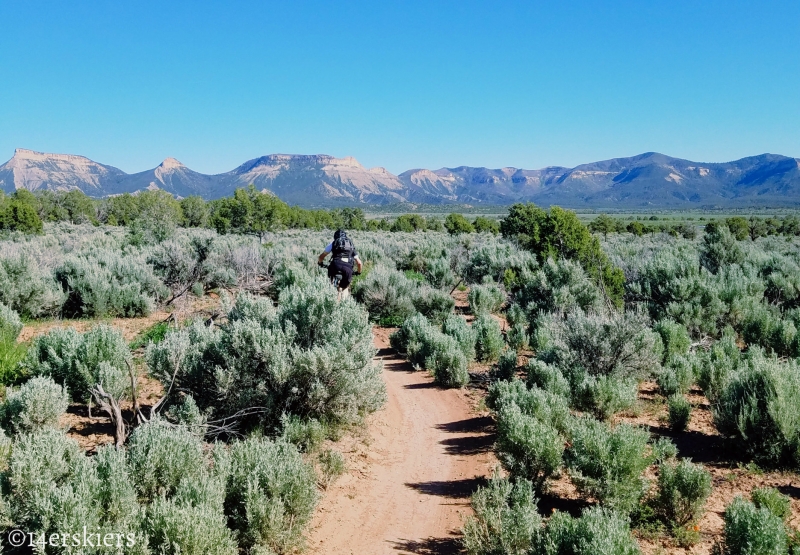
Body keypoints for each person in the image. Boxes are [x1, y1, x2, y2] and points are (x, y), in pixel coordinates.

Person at [318, 229, 363, 296]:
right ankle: (344, 303)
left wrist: (320, 263)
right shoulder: (351, 245)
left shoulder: (333, 243)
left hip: (335, 266)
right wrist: (358, 272)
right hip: (347, 268)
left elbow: (321, 257)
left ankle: (332, 297)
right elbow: (359, 263)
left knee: (332, 284)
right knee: (345, 288)